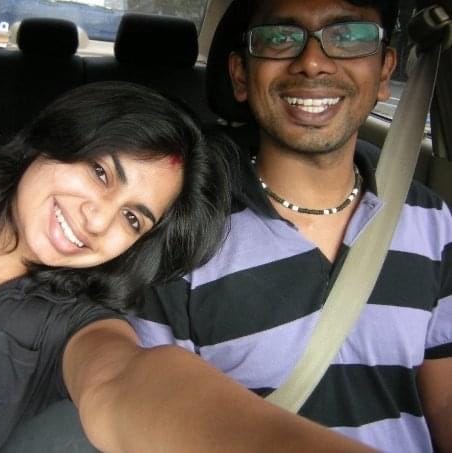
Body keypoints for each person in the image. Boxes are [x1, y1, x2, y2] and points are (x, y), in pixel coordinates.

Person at [0, 81, 374, 453]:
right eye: (100, 172)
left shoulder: (74, 323)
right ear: (55, 138)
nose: (98, 220)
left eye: (132, 217)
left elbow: (124, 379)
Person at [133, 1, 452, 452]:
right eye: (280, 38)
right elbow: (152, 414)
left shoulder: (432, 221)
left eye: (349, 36)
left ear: (384, 73)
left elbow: (444, 400)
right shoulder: (180, 226)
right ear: (241, 75)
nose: (313, 62)